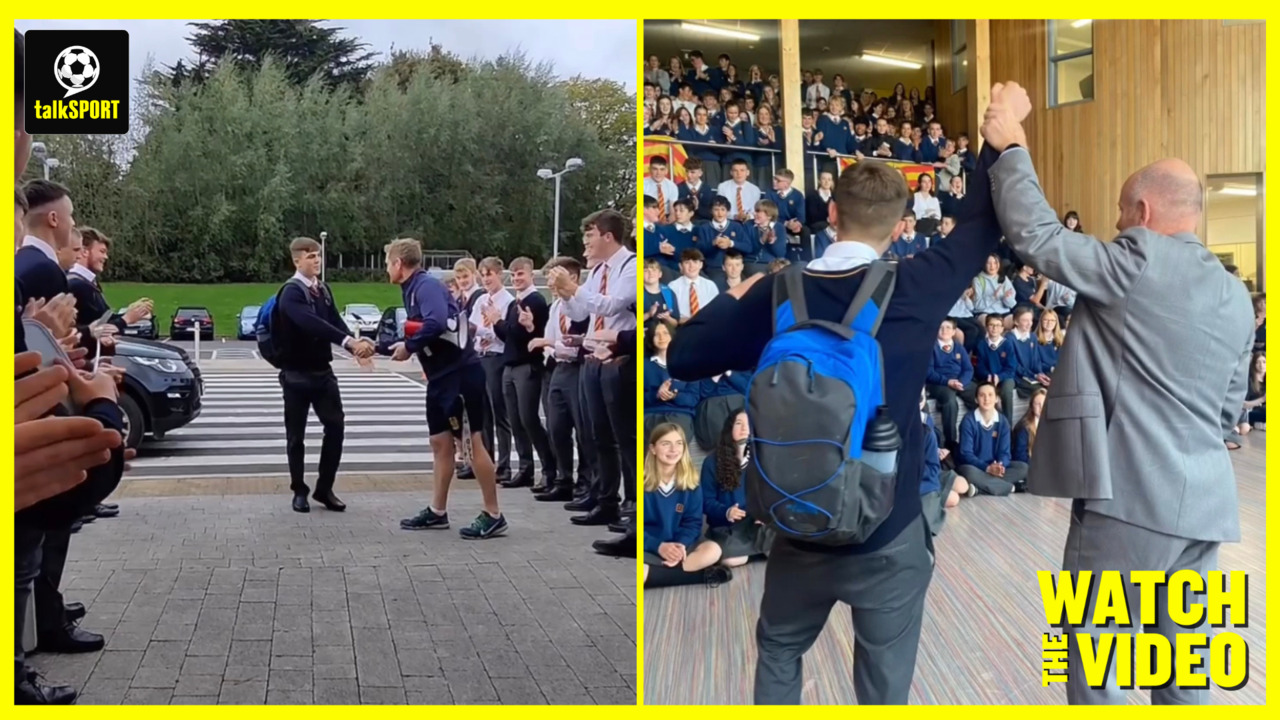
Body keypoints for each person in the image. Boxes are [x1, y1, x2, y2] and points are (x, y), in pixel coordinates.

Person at [668, 82, 1021, 705]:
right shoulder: (918, 284)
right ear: (902, 225)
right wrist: (1000, 141)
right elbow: (984, 224)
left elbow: (684, 354)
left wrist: (742, 289)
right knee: (882, 687)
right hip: (888, 528)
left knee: (779, 652)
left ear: (831, 213)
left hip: (796, 523)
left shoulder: (781, 292)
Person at [982, 80, 1255, 704]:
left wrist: (1013, 144)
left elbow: (1040, 240)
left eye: (1120, 213)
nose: (1113, 224)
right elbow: (1225, 409)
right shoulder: (1237, 296)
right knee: (1186, 671)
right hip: (1204, 505)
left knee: (1093, 663)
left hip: (1130, 500)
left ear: (1145, 214)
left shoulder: (1137, 261)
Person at [382, 238, 507, 539]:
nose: (387, 268)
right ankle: (438, 511)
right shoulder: (410, 289)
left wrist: (409, 347)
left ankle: (493, 513)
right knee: (439, 442)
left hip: (459, 375)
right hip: (439, 377)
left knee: (471, 443)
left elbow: (437, 322)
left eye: (388, 262)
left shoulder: (425, 286)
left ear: (399, 263)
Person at [549, 209, 637, 527]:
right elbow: (582, 313)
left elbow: (612, 305)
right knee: (597, 434)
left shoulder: (630, 266)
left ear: (608, 236)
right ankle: (606, 500)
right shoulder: (597, 271)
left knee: (623, 436)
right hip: (592, 356)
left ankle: (632, 505)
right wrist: (566, 295)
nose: (586, 241)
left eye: (590, 235)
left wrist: (573, 290)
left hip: (617, 359)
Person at [273, 237, 372, 513]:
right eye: (310, 256)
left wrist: (356, 347)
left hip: (322, 372)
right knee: (296, 435)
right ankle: (299, 490)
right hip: (295, 374)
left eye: (318, 256)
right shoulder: (291, 292)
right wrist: (348, 342)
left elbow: (332, 321)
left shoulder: (322, 290)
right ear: (296, 261)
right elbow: (311, 323)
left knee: (336, 427)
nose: (317, 260)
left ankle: (324, 488)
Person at [490, 256, 554, 490]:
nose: (516, 279)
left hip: (527, 365)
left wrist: (502, 322)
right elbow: (508, 335)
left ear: (531, 275)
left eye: (521, 274)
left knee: (529, 419)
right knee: (516, 421)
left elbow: (522, 334)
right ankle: (525, 467)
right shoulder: (513, 304)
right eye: (514, 274)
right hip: (510, 364)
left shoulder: (535, 300)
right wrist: (498, 323)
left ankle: (549, 468)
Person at [642, 423, 732, 588]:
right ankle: (698, 576)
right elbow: (635, 530)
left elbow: (692, 523)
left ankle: (657, 575)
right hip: (648, 547)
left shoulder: (691, 483)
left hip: (680, 549)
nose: (673, 449)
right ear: (653, 449)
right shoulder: (642, 482)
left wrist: (680, 545)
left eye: (679, 443)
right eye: (665, 443)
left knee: (713, 549)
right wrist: (659, 546)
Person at [701, 410, 771, 567]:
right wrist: (727, 511)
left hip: (756, 525)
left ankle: (755, 552)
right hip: (727, 527)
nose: (744, 429)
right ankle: (755, 553)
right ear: (729, 428)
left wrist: (766, 513)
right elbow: (706, 501)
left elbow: (771, 493)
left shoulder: (761, 458)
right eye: (739, 424)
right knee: (730, 560)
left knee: (785, 545)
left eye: (749, 425)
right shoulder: (712, 462)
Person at [470, 257, 515, 484]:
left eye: (490, 274)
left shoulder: (507, 301)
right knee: (483, 414)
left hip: (496, 356)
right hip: (481, 355)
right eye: (483, 274)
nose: (486, 279)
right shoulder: (481, 300)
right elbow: (473, 325)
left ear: (500, 275)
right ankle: (486, 461)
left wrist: (481, 329)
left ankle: (505, 464)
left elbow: (500, 331)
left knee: (500, 413)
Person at [956, 382, 1028, 495]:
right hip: (976, 468)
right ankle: (1012, 488)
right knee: (968, 472)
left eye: (990, 395)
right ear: (976, 399)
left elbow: (1005, 453)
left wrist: (1000, 466)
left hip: (995, 467)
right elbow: (966, 454)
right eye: (982, 395)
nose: (986, 399)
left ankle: (979, 488)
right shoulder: (968, 421)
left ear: (996, 399)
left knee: (1023, 468)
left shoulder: (1003, 421)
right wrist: (987, 468)